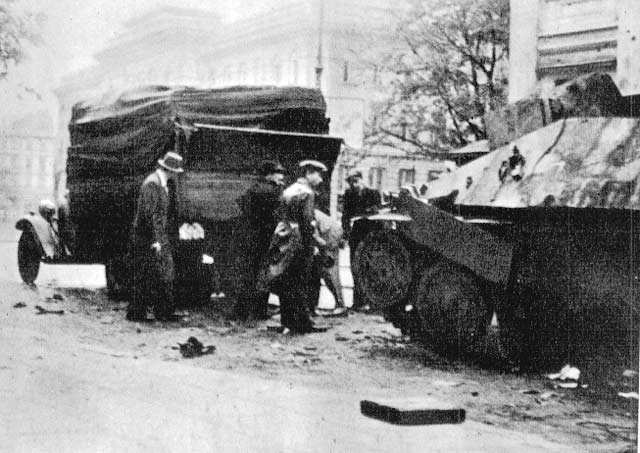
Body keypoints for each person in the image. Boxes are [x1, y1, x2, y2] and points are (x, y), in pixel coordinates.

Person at [260, 160, 328, 334]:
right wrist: (314, 243)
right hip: (300, 241)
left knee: (286, 280)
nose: (320, 179)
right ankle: (303, 323)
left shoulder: (289, 190)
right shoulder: (307, 193)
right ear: (308, 173)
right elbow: (307, 222)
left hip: (284, 237)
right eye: (318, 174)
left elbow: (280, 215)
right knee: (300, 281)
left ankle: (287, 320)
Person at [127, 151, 183, 322]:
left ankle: (162, 312)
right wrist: (156, 241)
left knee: (160, 274)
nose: (176, 175)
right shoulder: (152, 184)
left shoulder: (162, 183)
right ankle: (137, 314)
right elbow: (150, 215)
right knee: (145, 275)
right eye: (175, 172)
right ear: (169, 170)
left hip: (156, 236)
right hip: (146, 238)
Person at [236, 160, 286, 321]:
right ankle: (259, 311)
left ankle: (241, 312)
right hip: (265, 237)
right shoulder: (273, 191)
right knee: (264, 274)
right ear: (269, 174)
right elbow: (279, 213)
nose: (281, 177)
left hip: (250, 236)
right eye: (278, 173)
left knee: (248, 274)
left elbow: (242, 204)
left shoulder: (253, 188)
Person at [341, 169, 380, 311]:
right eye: (351, 182)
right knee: (355, 268)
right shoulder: (348, 194)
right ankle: (357, 302)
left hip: (370, 237)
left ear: (362, 180)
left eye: (356, 181)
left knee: (370, 269)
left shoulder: (373, 193)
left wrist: (369, 212)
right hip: (355, 237)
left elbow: (378, 214)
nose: (354, 185)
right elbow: (345, 215)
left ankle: (372, 303)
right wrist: (345, 234)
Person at [310, 209, 347, 317]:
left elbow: (315, 237)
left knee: (329, 272)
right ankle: (338, 304)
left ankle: (341, 305)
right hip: (330, 233)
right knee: (323, 271)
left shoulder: (306, 213)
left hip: (330, 235)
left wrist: (324, 249)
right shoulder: (308, 210)